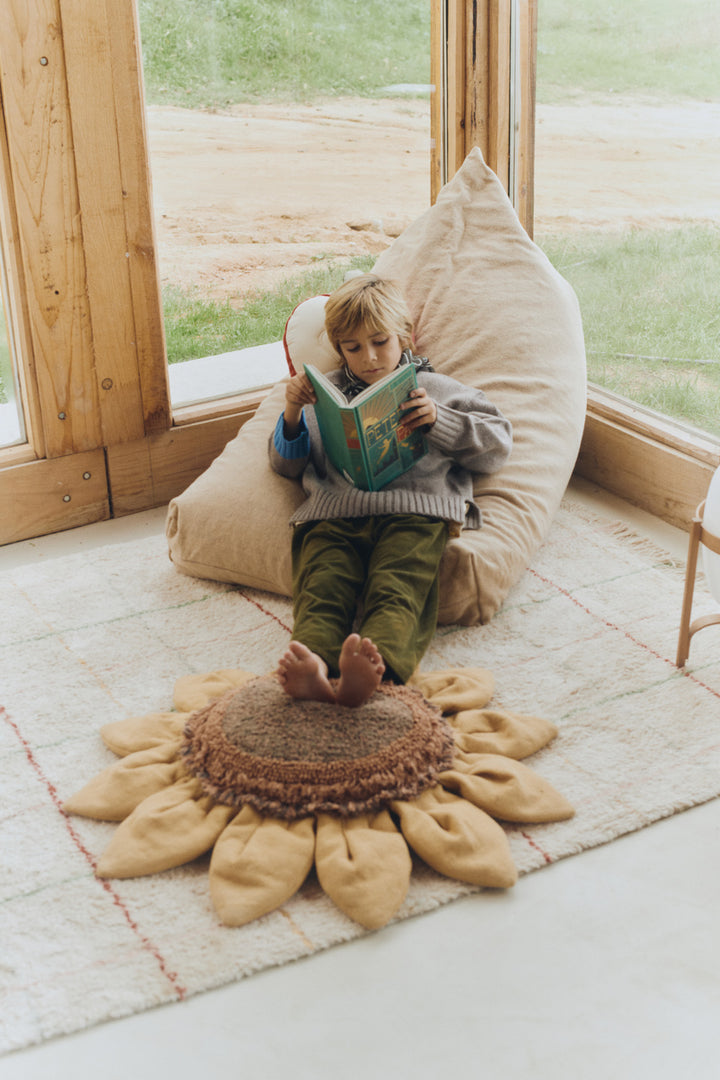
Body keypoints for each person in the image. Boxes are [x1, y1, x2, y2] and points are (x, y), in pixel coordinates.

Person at [269, 273, 512, 707]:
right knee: (321, 583)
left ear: (406, 336)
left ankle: (374, 669)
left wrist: (440, 421)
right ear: (339, 349)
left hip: (414, 512)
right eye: (353, 347)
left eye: (381, 341)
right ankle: (315, 665)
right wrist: (292, 411)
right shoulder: (326, 394)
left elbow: (497, 446)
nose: (370, 358)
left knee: (398, 586)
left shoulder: (437, 390)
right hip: (334, 513)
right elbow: (285, 465)